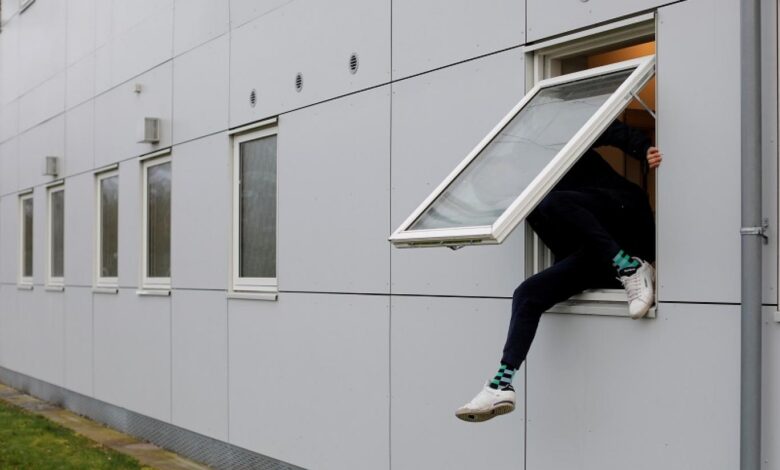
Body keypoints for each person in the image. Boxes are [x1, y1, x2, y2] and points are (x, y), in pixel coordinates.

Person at [455, 120, 663, 423]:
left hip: (629, 217)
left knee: (554, 201)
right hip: (600, 252)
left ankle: (631, 268)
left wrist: (643, 149)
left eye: (496, 179)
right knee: (526, 294)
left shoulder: (548, 150)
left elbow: (604, 127)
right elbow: (563, 245)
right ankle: (501, 383)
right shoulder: (526, 201)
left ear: (504, 163)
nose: (502, 186)